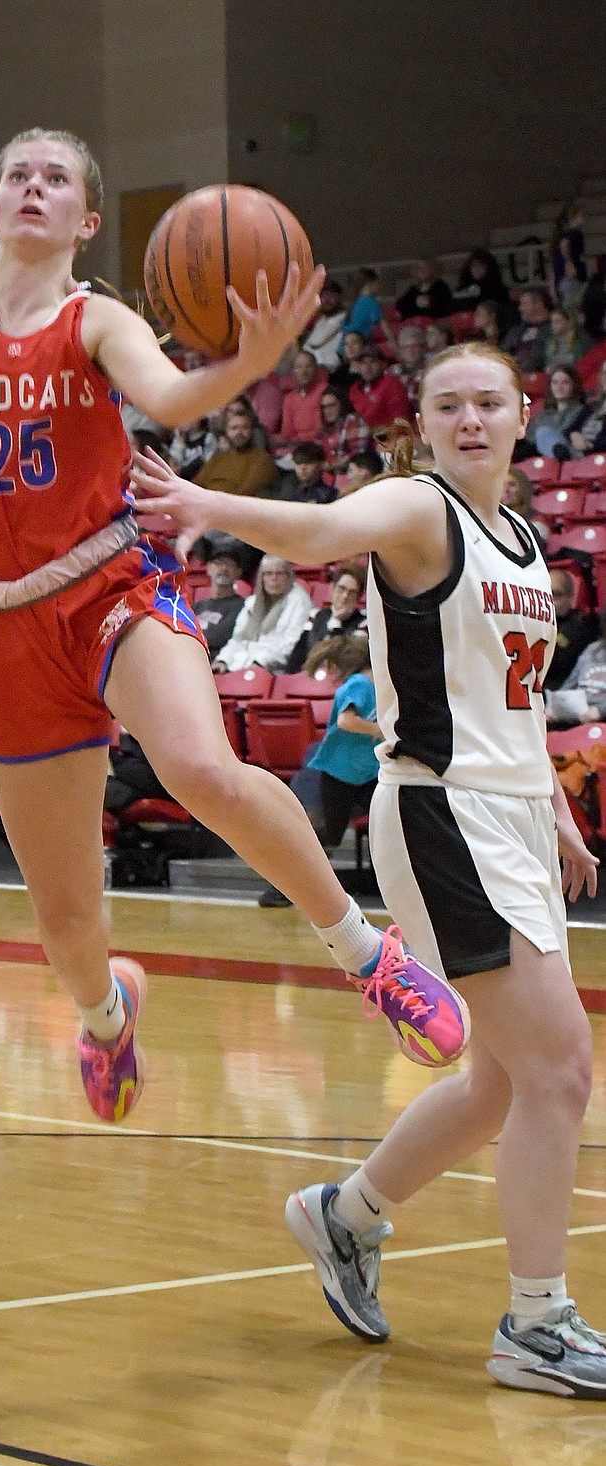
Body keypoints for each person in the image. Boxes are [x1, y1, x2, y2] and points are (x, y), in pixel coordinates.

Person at [0, 126, 471, 1132]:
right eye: (16, 174)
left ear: (85, 220)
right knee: (64, 920)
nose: (32, 187)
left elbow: (169, 393)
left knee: (195, 763)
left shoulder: (94, 318)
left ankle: (368, 956)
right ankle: (106, 1016)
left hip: (109, 582)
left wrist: (251, 359)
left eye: (54, 178)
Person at [132, 340, 606, 1397]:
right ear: (423, 425)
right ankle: (535, 1325)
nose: (470, 418)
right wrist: (207, 501)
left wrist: (553, 814)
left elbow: (510, 701)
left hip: (512, 814)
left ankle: (342, 1217)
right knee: (559, 1069)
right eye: (449, 405)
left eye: (488, 401)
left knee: (498, 1080)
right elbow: (315, 529)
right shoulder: (412, 511)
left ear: (522, 413)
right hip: (441, 817)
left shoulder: (524, 539)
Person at [259, 631, 380, 907]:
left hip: (366, 772)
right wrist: (378, 729)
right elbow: (346, 721)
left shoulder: (381, 684)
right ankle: (282, 881)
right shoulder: (360, 684)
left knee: (385, 824)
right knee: (329, 834)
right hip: (339, 773)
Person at [213, 555, 311, 673]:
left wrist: (259, 662)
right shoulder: (252, 602)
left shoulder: (299, 600)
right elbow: (238, 639)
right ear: (261, 578)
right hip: (239, 666)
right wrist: (223, 660)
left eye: (279, 573)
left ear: (288, 576)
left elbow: (290, 644)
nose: (274, 578)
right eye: (268, 573)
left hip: (271, 670)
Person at [283, 562, 367, 673]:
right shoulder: (315, 616)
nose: (345, 596)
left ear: (358, 597)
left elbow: (345, 660)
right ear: (332, 588)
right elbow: (298, 656)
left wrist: (336, 624)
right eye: (341, 588)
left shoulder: (363, 623)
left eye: (352, 592)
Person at [191, 542, 248, 662]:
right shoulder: (197, 606)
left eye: (229, 564)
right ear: (208, 568)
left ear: (239, 572)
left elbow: (219, 638)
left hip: (213, 663)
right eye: (219, 563)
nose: (224, 568)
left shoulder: (242, 606)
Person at [546, 568, 598, 689]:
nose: (550, 600)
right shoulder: (529, 624)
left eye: (556, 594)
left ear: (570, 597)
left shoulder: (580, 629)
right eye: (546, 593)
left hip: (562, 695)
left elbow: (558, 664)